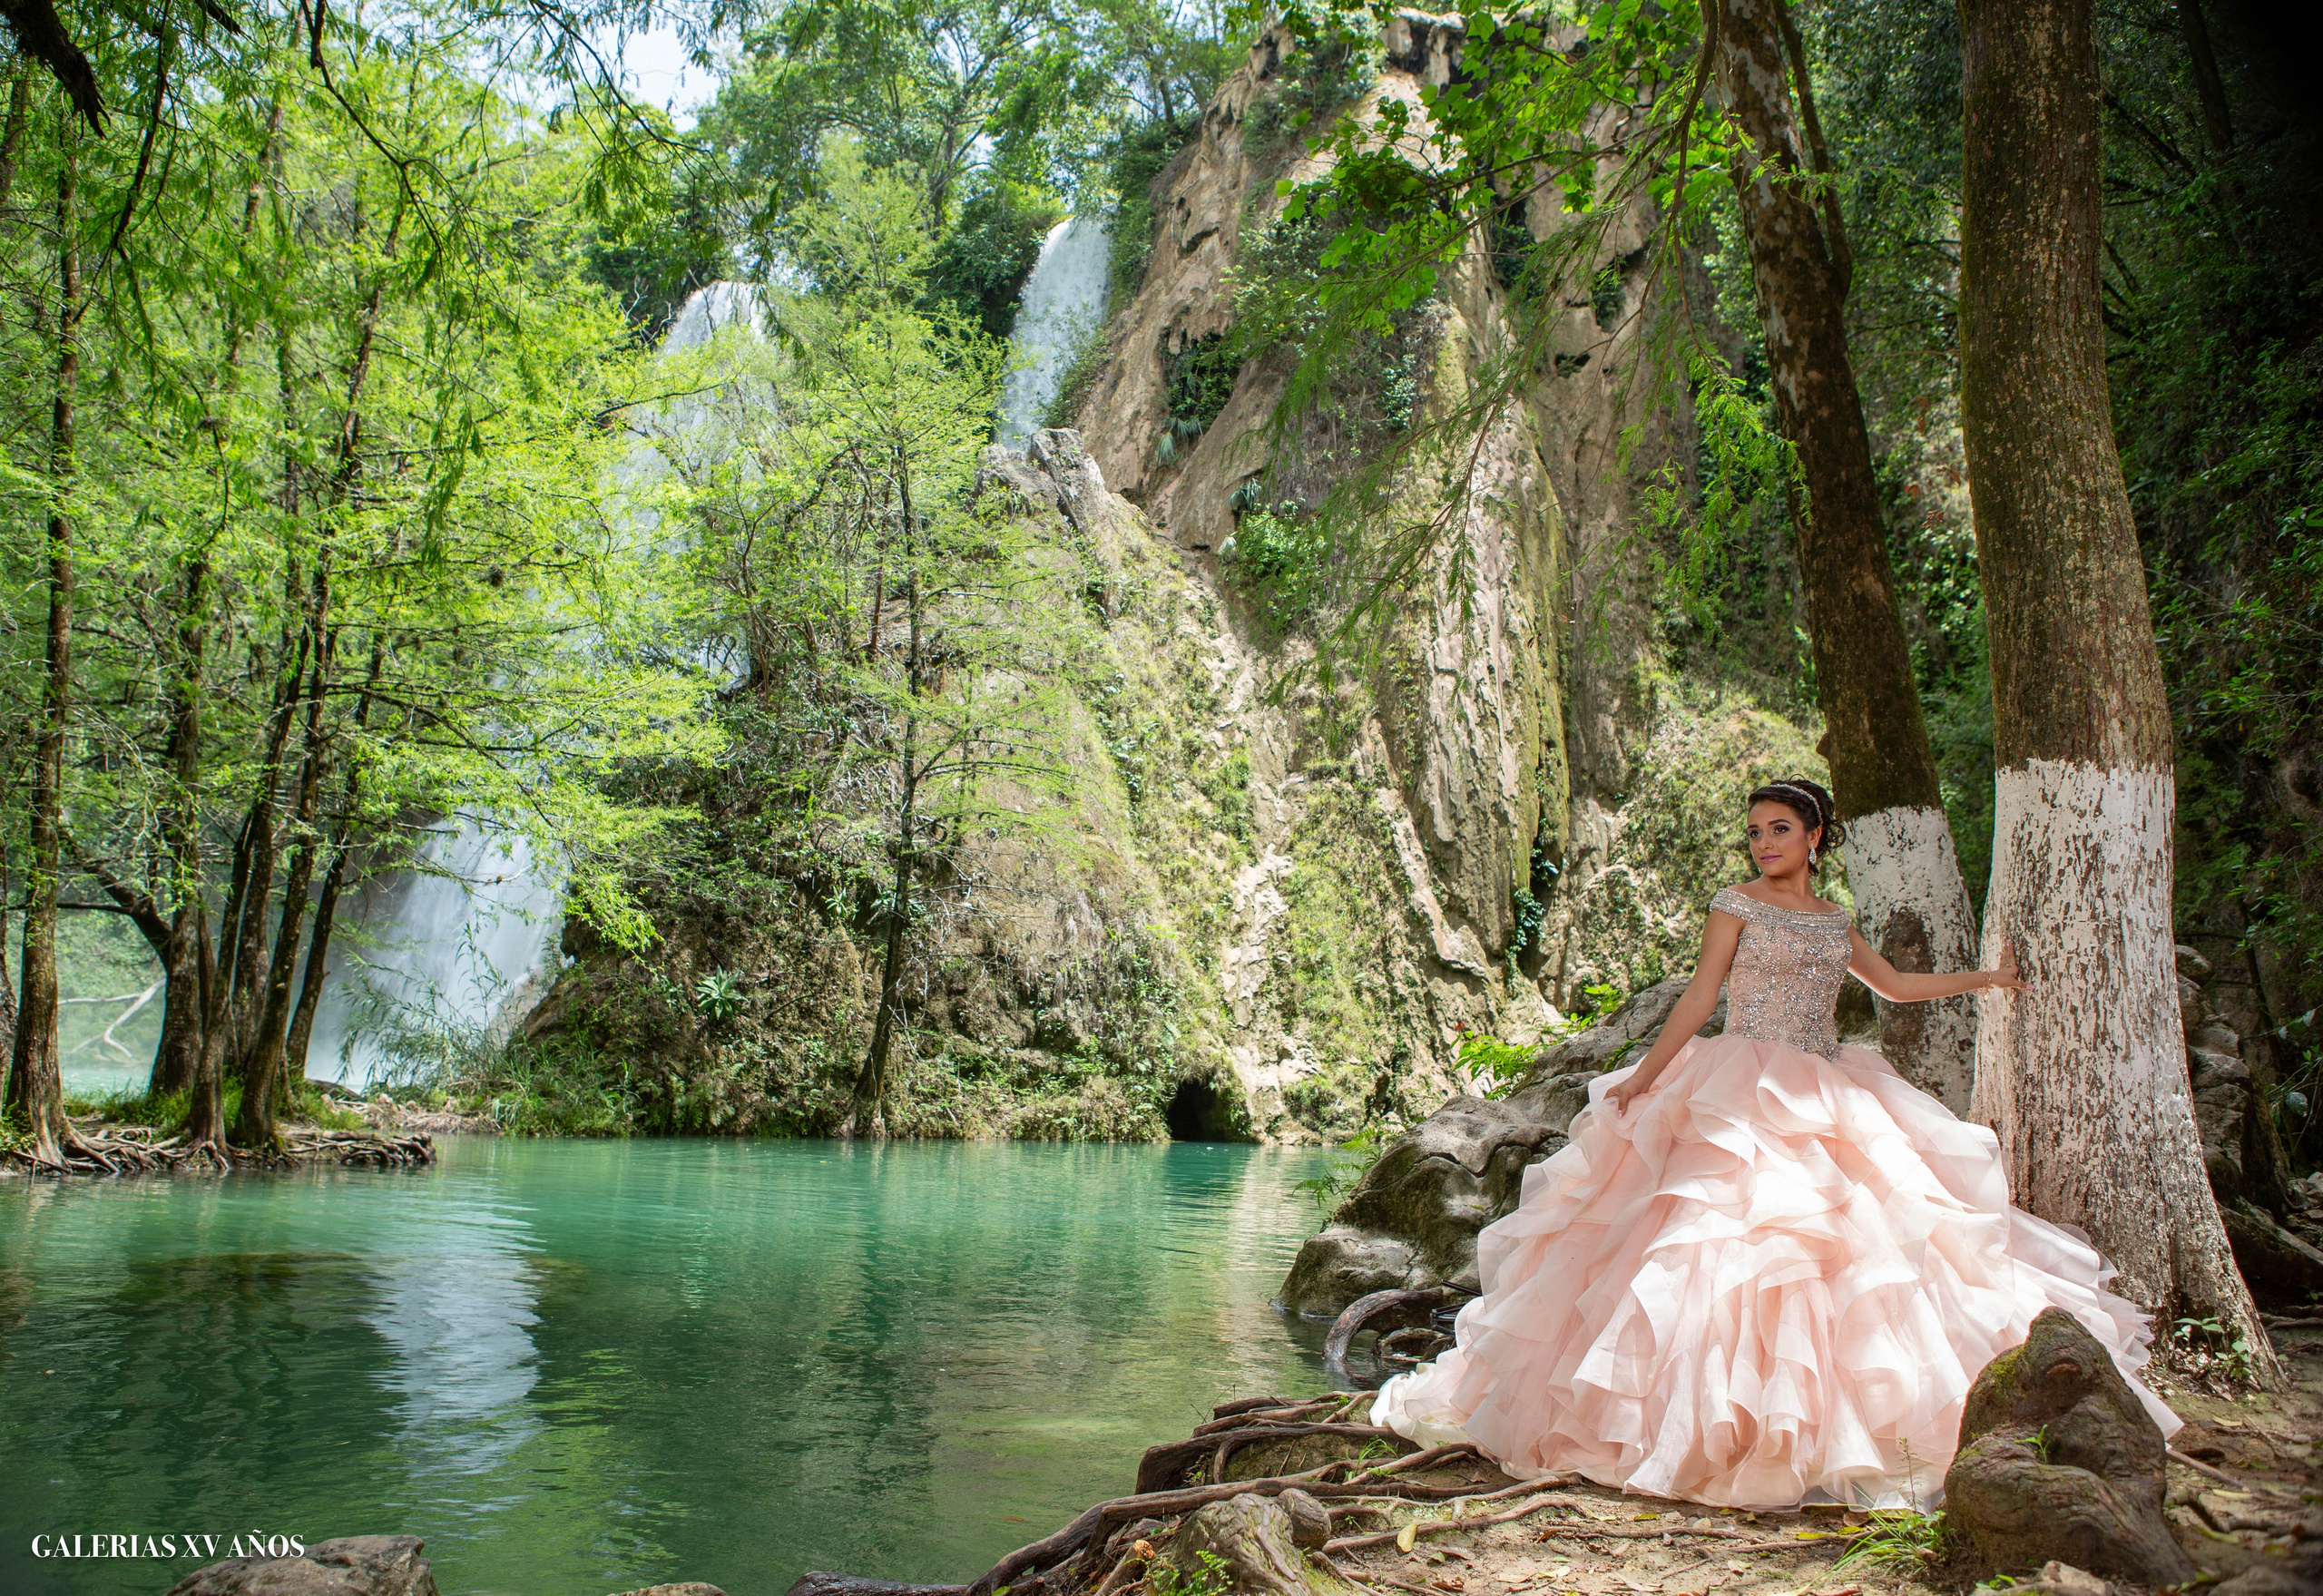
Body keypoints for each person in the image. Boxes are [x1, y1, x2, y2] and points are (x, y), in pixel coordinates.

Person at [1370, 777, 2179, 1509]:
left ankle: (1833, 1433)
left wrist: (1989, 981)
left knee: (1851, 1252)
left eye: (1781, 828)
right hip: (1734, 1083)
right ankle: (1702, 1430)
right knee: (1709, 1246)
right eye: (1756, 830)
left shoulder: (1836, 921)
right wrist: (1644, 1076)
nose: (1764, 842)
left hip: (1827, 1087)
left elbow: (1892, 985)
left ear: (1814, 837)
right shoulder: (1737, 903)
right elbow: (1701, 996)